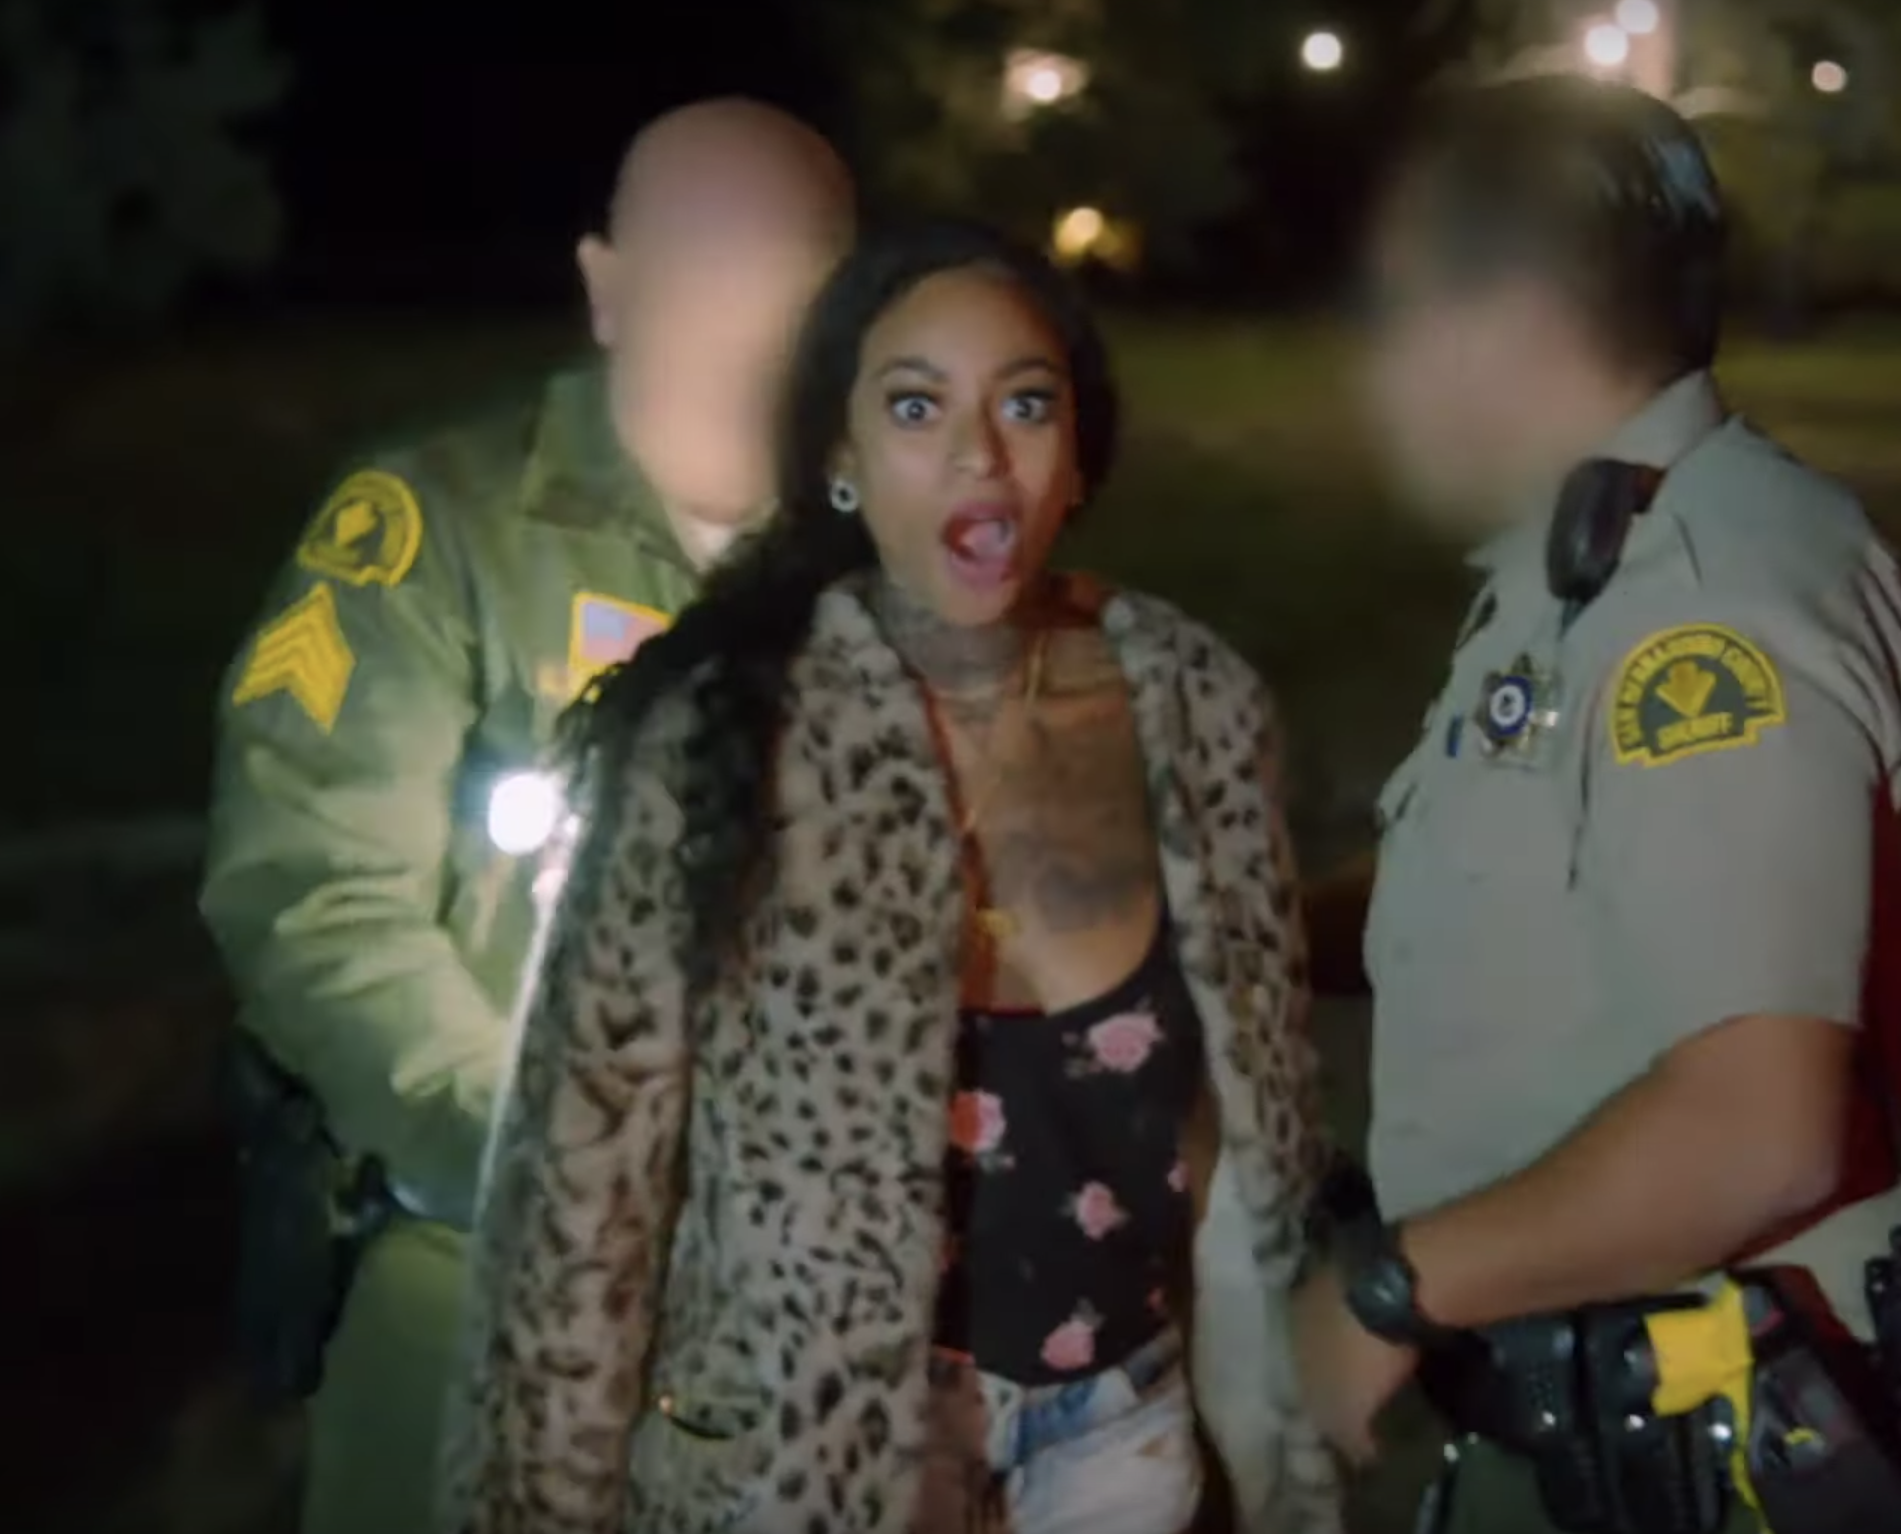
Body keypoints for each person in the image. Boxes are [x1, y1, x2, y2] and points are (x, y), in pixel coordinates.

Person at [439, 219, 1344, 1534]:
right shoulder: (725, 737)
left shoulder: (1195, 712)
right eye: (917, 407)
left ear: (1078, 453)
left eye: (1025, 405)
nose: (980, 455)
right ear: (840, 459)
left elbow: (1252, 1128)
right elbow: (583, 1192)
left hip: (1120, 1443)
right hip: (815, 1462)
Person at [1292, 76, 1901, 1530]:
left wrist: (1386, 1296)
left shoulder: (1701, 615)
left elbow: (1755, 1128)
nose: (1381, 366)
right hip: (1610, 1430)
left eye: (1401, 311)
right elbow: (1541, 881)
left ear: (1515, 317)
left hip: (1720, 1459)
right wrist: (1258, 931)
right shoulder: (1596, 562)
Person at [198, 98, 853, 1534]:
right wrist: (542, 1159)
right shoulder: (436, 533)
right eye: (706, 301)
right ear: (609, 293)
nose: (754, 366)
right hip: (478, 1261)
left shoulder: (886, 564)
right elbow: (313, 893)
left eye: (799, 315)